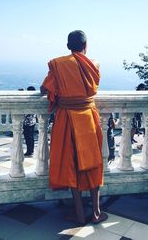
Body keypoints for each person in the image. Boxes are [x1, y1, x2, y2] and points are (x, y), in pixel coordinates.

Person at [40, 30, 108, 225]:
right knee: (93, 164)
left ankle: (79, 214)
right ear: (86, 46)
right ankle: (95, 213)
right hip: (89, 118)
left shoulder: (58, 64)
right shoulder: (94, 65)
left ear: (68, 46)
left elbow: (45, 89)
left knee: (72, 165)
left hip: (67, 119)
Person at [23, 86, 37, 156]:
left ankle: (29, 151)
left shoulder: (29, 100)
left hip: (27, 122)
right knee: (31, 137)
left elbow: (26, 112)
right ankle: (31, 150)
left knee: (28, 137)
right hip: (33, 121)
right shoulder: (35, 100)